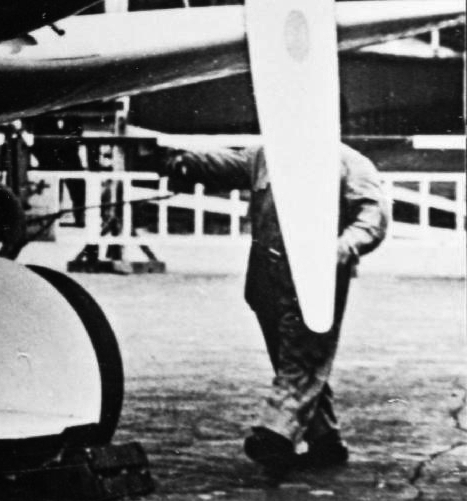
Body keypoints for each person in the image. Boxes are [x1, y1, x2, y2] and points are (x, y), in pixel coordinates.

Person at [160, 140, 387, 473]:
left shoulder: (351, 163)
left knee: (303, 354)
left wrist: (342, 247)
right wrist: (182, 162)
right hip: (267, 276)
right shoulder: (267, 154)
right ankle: (326, 441)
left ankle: (274, 434)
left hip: (316, 276)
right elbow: (225, 163)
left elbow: (373, 218)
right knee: (293, 355)